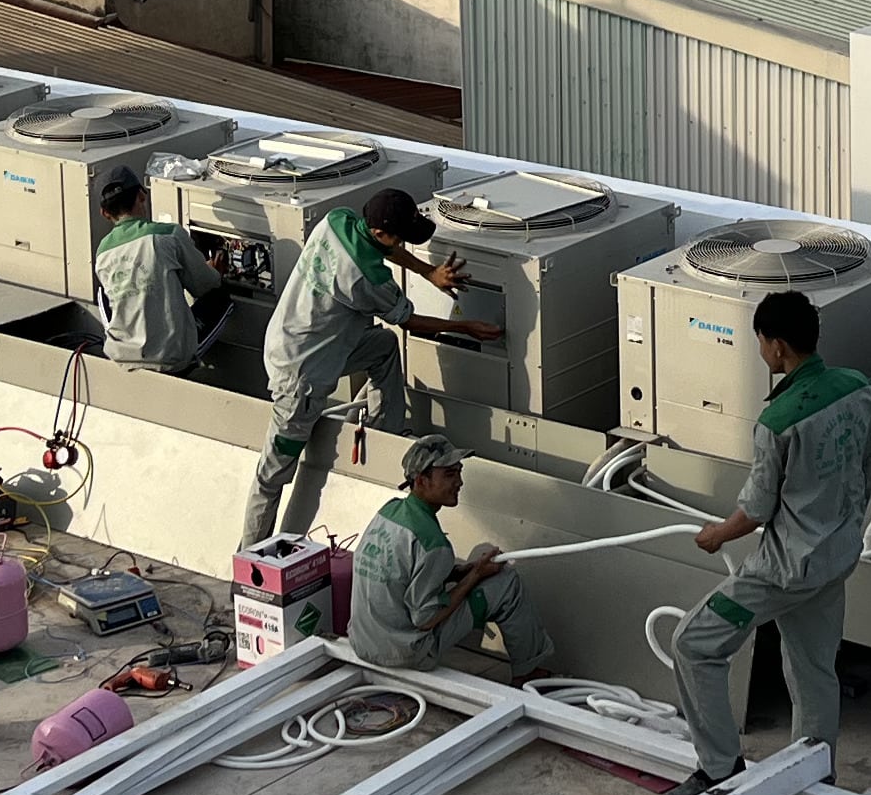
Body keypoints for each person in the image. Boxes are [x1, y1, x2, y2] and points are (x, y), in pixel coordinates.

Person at [670, 286, 871, 795]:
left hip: (783, 572)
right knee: (813, 669)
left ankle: (720, 767)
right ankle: (816, 773)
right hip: (836, 558)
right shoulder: (858, 388)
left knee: (693, 644)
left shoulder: (776, 421)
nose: (761, 350)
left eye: (761, 341)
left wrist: (716, 535)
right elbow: (870, 469)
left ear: (777, 346)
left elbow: (756, 511)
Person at [241, 187, 497, 549]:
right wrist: (466, 327)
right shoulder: (366, 279)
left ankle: (383, 434)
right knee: (272, 477)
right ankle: (250, 556)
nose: (402, 243)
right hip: (301, 381)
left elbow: (385, 248)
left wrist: (429, 273)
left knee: (383, 347)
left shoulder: (337, 220)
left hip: (294, 340)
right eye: (400, 236)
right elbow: (408, 321)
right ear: (379, 231)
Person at [346, 434, 556, 683]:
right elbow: (425, 620)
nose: (459, 482)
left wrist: (460, 572)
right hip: (405, 652)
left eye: (459, 471)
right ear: (421, 480)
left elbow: (405, 572)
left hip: (363, 642)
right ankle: (527, 673)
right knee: (508, 584)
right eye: (449, 474)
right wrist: (476, 575)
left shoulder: (389, 511)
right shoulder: (434, 543)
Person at [89, 166, 221, 372]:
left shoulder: (102, 253)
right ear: (142, 195)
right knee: (220, 297)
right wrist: (214, 270)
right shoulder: (169, 235)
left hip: (121, 359)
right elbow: (204, 285)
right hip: (169, 360)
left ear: (105, 213)